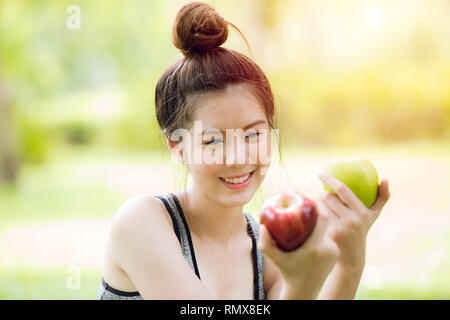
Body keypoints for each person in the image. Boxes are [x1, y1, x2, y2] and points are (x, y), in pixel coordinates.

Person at [96, 1, 390, 300]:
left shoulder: (267, 250)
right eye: (213, 141)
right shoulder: (142, 223)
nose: (238, 157)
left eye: (253, 134)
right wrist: (303, 286)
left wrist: (350, 262)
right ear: (177, 146)